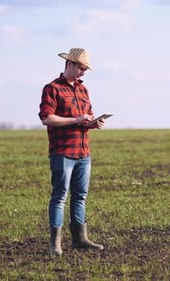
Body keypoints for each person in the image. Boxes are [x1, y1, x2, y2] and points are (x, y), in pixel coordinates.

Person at [38, 48, 105, 256]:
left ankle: (80, 239)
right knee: (59, 197)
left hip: (83, 152)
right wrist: (76, 120)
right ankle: (55, 243)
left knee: (80, 196)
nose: (83, 73)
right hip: (63, 152)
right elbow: (46, 118)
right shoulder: (52, 89)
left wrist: (93, 123)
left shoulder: (83, 90)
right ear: (70, 64)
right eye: (81, 68)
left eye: (85, 69)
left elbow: (87, 116)